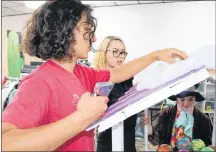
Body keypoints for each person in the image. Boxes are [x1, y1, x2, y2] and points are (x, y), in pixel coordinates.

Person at [1, 0, 188, 151]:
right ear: (64, 32)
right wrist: (82, 117)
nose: (94, 38)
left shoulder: (81, 72)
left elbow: (119, 73)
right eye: (87, 31)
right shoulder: (39, 81)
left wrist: (155, 55)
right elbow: (6, 143)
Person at [92, 36, 150, 152]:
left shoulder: (128, 79)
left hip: (129, 140)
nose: (121, 56)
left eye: (123, 53)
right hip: (109, 144)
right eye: (115, 52)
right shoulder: (97, 81)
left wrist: (140, 119)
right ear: (104, 53)